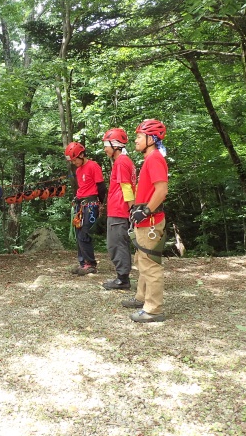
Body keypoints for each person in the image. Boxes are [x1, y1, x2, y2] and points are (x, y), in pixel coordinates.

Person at [122, 119, 168, 323]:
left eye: (139, 136)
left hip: (150, 221)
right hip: (145, 220)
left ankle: (153, 309)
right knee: (142, 260)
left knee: (150, 265)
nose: (136, 140)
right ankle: (141, 297)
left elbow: (162, 190)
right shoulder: (150, 159)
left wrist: (147, 211)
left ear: (151, 139)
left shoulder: (155, 159)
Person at [101, 129, 137, 290]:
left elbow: (126, 187)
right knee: (118, 243)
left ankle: (122, 279)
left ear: (115, 145)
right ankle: (122, 277)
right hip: (119, 210)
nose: (105, 149)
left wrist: (132, 209)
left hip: (119, 210)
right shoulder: (124, 161)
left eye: (106, 145)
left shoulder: (121, 162)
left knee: (116, 244)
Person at [65, 142, 106, 275]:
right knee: (79, 234)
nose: (74, 162)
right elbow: (82, 188)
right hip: (80, 204)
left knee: (85, 233)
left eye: (75, 159)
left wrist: (101, 203)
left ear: (82, 155)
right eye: (72, 161)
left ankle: (91, 264)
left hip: (91, 205)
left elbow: (101, 187)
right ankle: (83, 263)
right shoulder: (78, 170)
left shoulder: (93, 166)